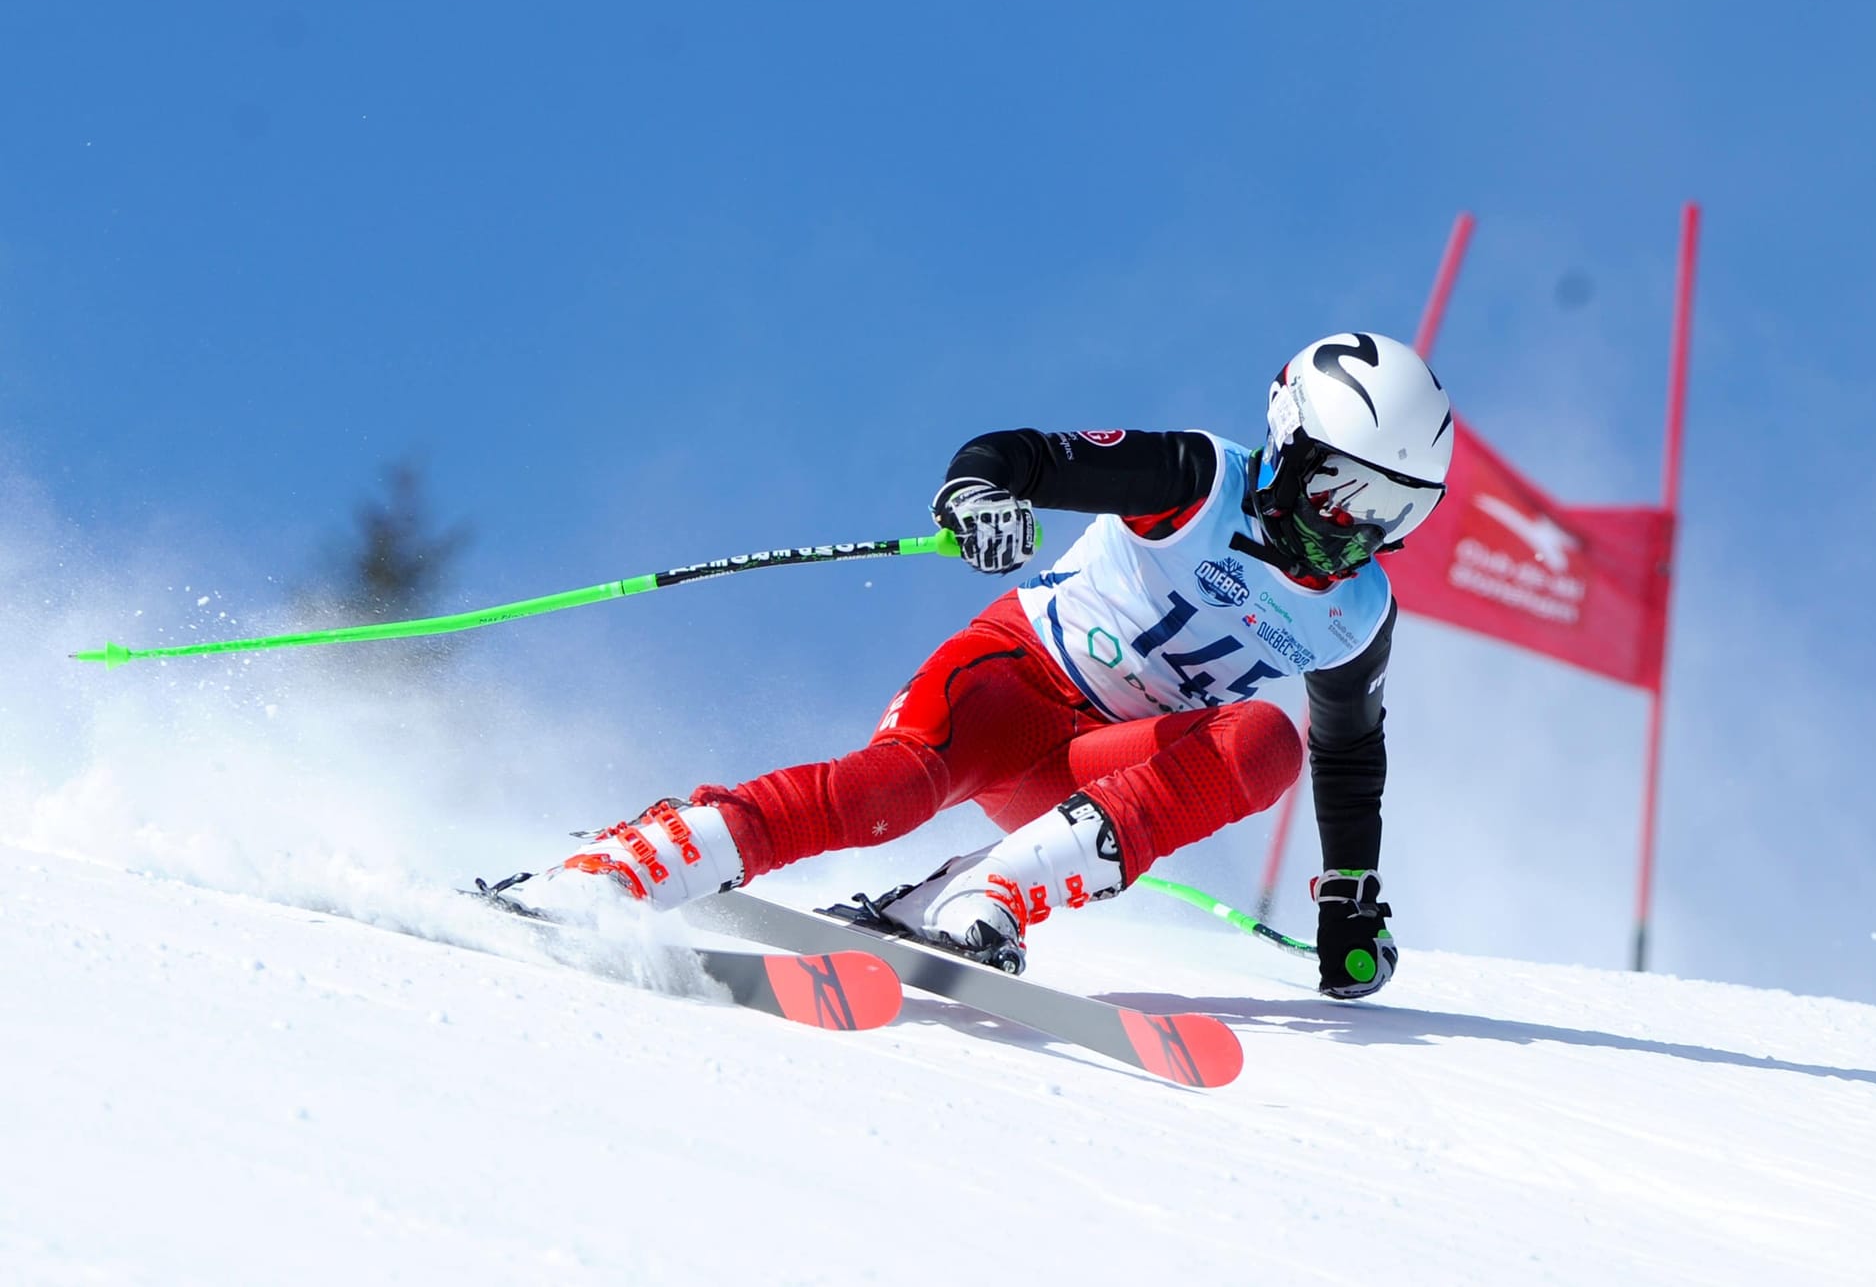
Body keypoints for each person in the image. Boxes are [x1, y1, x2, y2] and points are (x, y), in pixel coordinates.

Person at [502, 332, 1455, 999]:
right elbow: (1026, 454)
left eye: (1395, 510)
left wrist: (1349, 896)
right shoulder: (1198, 480)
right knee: (888, 794)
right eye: (1343, 492)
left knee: (1266, 741)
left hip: (1092, 773)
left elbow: (1350, 757)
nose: (1357, 531)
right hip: (1012, 680)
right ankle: (619, 866)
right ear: (1288, 450)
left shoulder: (1358, 613)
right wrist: (981, 490)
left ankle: (980, 891)